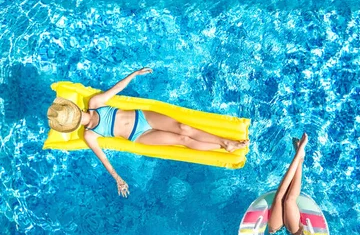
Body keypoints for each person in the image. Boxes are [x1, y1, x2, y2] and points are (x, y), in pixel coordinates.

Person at [47, 68, 248, 197]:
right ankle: (225, 145)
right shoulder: (89, 135)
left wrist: (133, 74)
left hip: (143, 117)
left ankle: (224, 142)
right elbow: (104, 159)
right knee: (183, 139)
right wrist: (118, 178)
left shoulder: (94, 103)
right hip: (139, 137)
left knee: (183, 128)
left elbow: (116, 89)